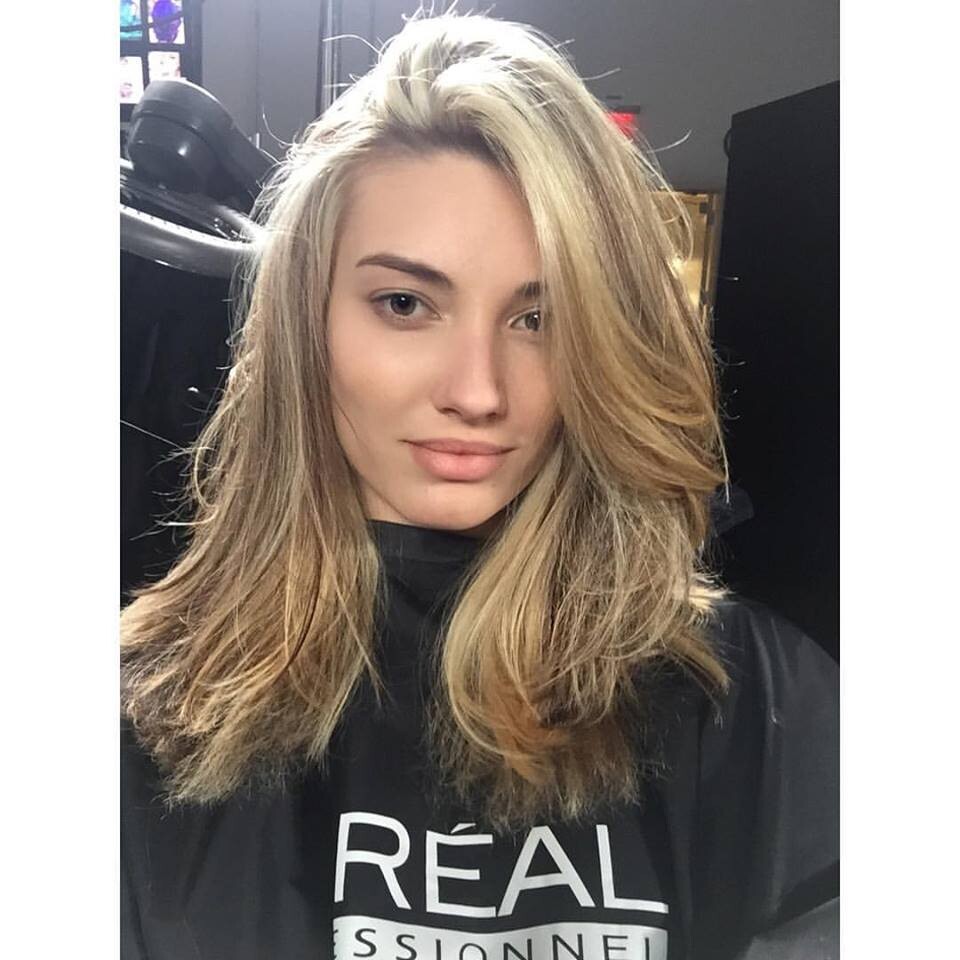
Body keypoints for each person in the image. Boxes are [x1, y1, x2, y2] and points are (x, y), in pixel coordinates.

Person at [120, 10, 838, 960]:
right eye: (405, 303)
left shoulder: (752, 702)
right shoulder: (138, 715)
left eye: (539, 318)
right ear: (304, 323)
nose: (478, 392)